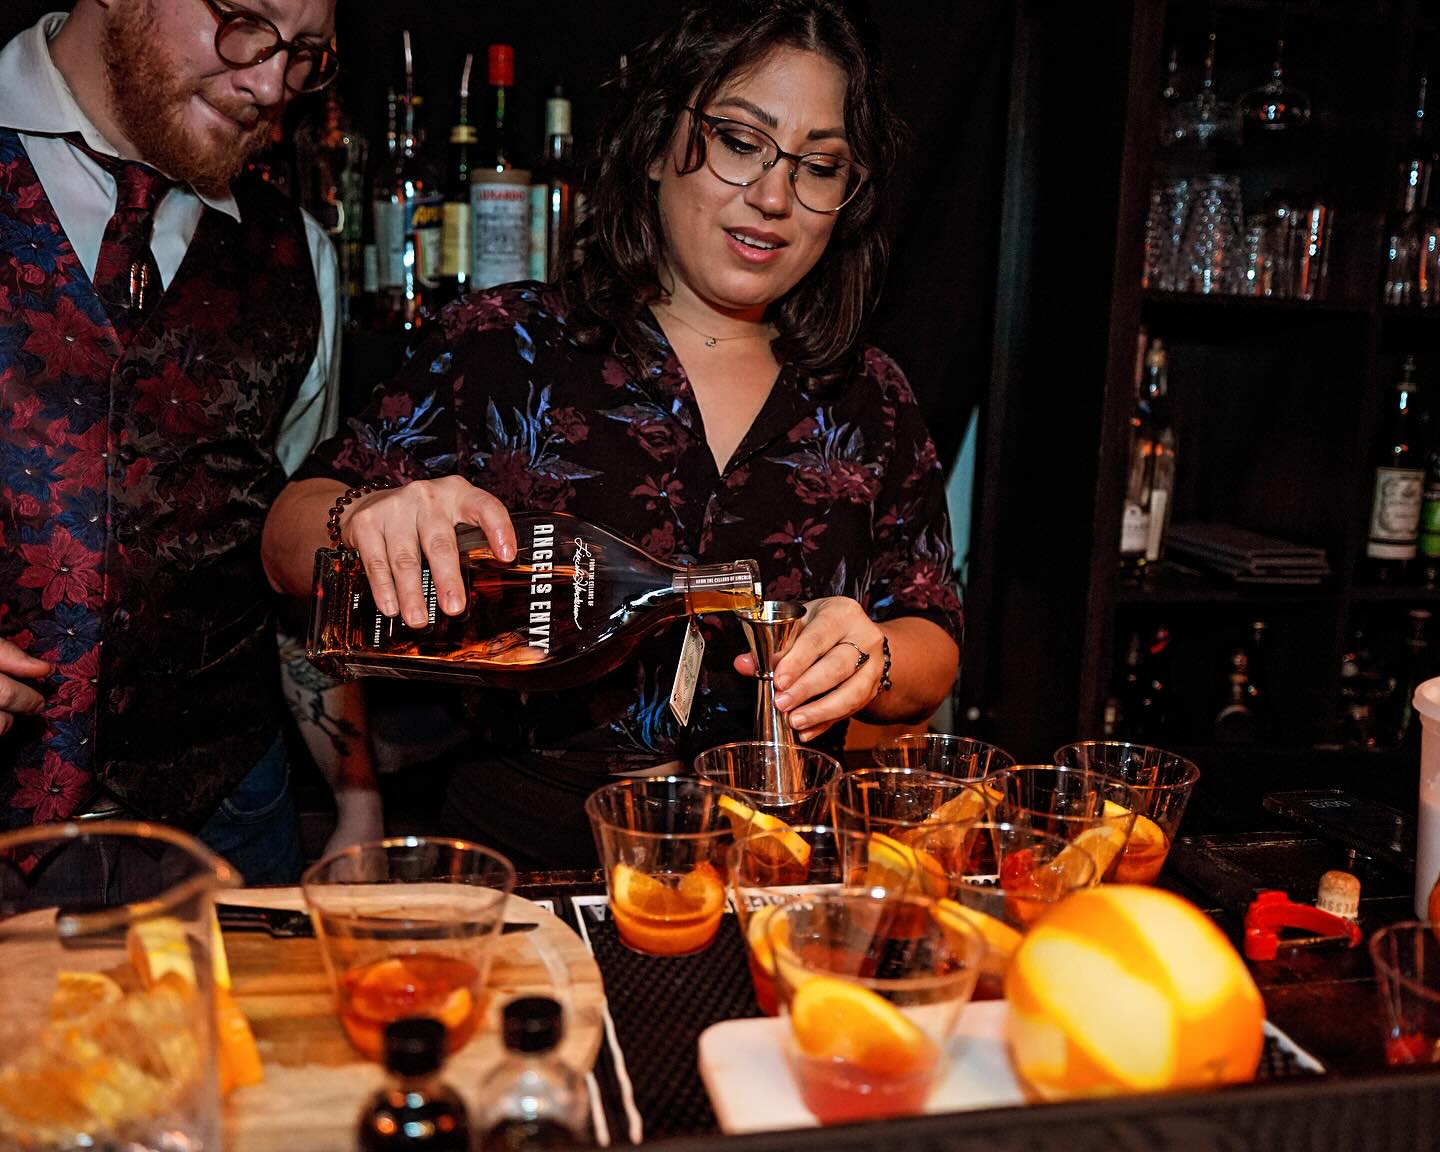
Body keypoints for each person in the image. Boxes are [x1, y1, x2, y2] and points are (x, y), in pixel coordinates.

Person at [263, 0, 964, 869]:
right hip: (519, 872)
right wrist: (364, 519)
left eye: (819, 166)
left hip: (777, 873)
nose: (774, 197)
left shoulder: (869, 395)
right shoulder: (506, 343)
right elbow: (286, 540)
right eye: (739, 142)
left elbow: (933, 635)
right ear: (658, 143)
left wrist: (876, 656)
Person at [0, 0, 380, 882]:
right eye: (244, 20)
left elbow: (295, 555)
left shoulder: (297, 254)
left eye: (305, 53)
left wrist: (357, 796)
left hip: (228, 828)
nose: (271, 85)